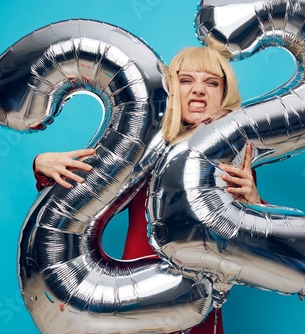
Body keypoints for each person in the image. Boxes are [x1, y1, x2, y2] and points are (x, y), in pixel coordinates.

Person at [33, 46, 262, 333]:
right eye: (186, 80)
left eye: (211, 82)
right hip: (136, 296)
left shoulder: (235, 156)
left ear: (224, 94)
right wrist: (42, 164)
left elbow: (250, 244)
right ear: (172, 89)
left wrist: (254, 202)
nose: (199, 91)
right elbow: (83, 192)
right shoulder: (145, 145)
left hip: (198, 305)